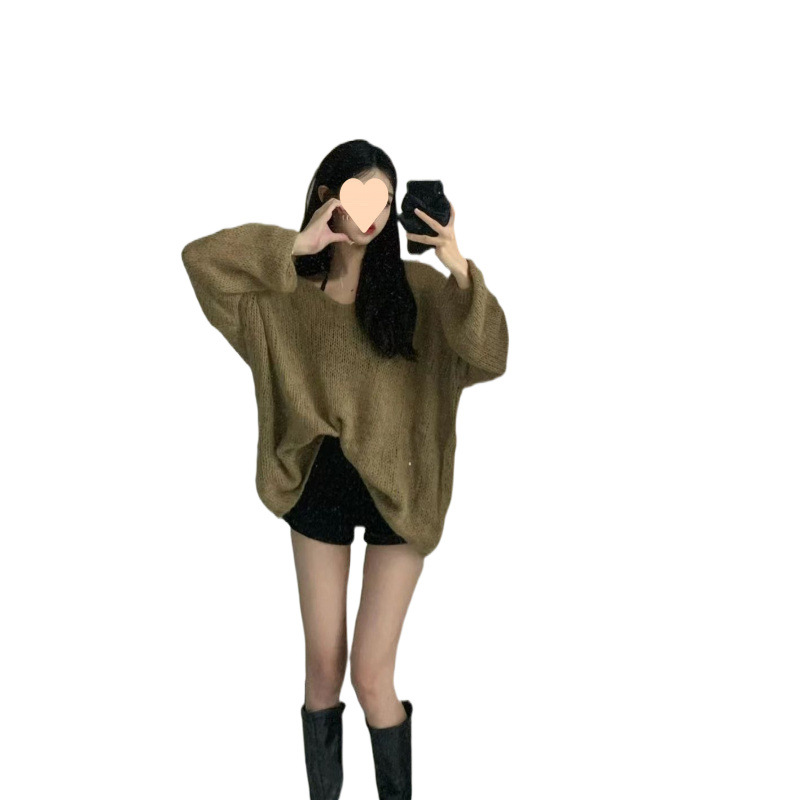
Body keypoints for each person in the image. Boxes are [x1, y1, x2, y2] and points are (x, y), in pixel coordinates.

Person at [181, 139, 508, 800]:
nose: (373, 213)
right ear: (329, 196)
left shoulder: (420, 292)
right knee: (323, 670)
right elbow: (201, 261)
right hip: (317, 483)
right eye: (360, 195)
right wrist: (295, 246)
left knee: (372, 675)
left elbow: (489, 353)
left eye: (383, 200)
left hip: (402, 489)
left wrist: (456, 265)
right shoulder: (283, 296)